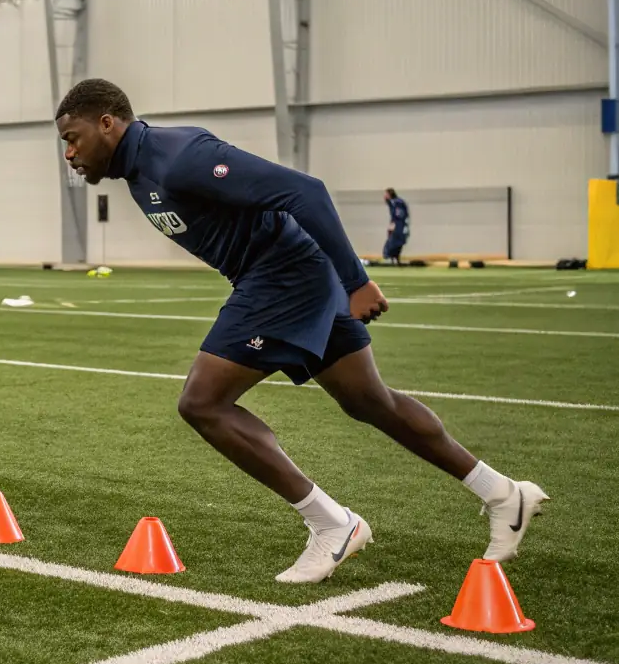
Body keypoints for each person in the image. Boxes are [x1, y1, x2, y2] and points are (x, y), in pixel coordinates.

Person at [54, 78, 547, 583]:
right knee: (368, 401)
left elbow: (303, 191)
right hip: (290, 275)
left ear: (107, 123)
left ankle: (333, 525)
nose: (69, 153)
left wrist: (355, 281)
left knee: (202, 403)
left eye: (73, 138)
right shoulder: (139, 171)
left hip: (283, 276)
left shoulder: (179, 156)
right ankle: (503, 495)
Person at [383, 189, 410, 265]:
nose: (384, 196)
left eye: (386, 195)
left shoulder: (396, 202)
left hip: (399, 226)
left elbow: (399, 215)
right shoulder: (393, 202)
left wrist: (393, 224)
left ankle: (390, 258)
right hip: (400, 225)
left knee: (393, 243)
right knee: (396, 243)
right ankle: (394, 259)